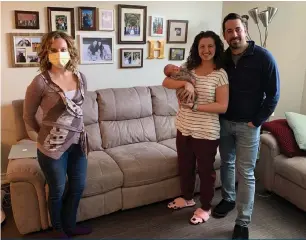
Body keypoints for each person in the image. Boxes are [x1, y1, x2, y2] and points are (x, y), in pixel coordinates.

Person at [212, 13, 280, 239]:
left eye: (238, 29)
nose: (234, 34)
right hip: (224, 123)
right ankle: (229, 199)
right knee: (226, 164)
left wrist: (256, 121)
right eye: (229, 31)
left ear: (245, 30)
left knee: (246, 173)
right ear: (224, 35)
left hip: (248, 126)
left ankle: (242, 222)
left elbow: (273, 94)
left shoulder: (263, 57)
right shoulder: (222, 58)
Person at [23, 31, 92, 239]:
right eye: (54, 50)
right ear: (46, 52)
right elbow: (28, 116)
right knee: (57, 190)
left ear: (70, 51)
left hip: (78, 143)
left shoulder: (80, 78)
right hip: (51, 148)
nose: (59, 54)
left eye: (63, 50)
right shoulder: (40, 82)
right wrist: (46, 134)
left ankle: (70, 225)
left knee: (78, 186)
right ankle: (59, 229)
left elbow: (78, 109)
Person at [163, 31, 229, 224]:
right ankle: (187, 198)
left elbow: (222, 106)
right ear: (196, 48)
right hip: (183, 127)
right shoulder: (187, 68)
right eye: (202, 46)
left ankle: (206, 206)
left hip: (206, 132)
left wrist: (195, 106)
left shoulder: (220, 74)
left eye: (210, 46)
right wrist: (185, 83)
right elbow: (166, 81)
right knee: (185, 166)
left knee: (206, 171)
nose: (206, 50)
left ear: (216, 48)